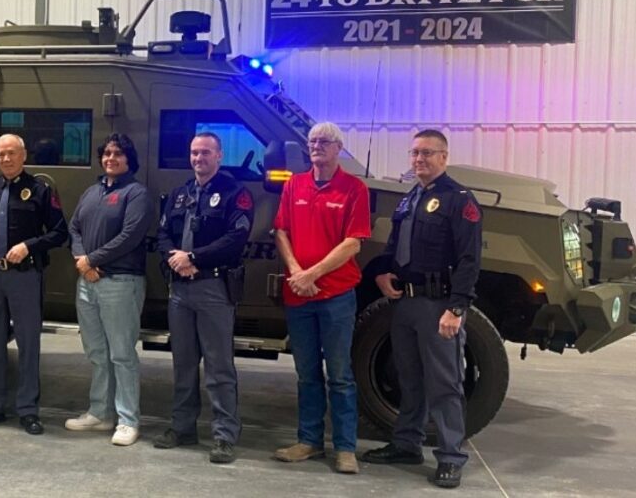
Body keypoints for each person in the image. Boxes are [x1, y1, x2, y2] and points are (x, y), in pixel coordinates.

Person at [362, 129, 483, 489]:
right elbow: (396, 246)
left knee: (445, 384)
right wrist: (383, 275)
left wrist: (457, 308)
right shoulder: (410, 198)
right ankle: (406, 444)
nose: (419, 159)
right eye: (415, 153)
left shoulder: (459, 199)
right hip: (406, 303)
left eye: (428, 153)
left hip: (438, 305)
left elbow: (469, 259)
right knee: (408, 378)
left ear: (444, 157)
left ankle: (450, 457)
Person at [271, 122, 371, 474]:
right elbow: (280, 230)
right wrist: (297, 272)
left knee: (340, 374)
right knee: (307, 373)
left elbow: (353, 242)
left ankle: (345, 448)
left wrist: (312, 275)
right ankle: (309, 441)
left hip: (336, 295)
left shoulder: (354, 189)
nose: (316, 147)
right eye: (312, 141)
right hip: (298, 295)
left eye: (324, 142)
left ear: (338, 148)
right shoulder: (294, 185)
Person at [153, 132, 253, 464]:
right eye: (195, 153)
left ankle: (224, 435)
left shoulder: (235, 194)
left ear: (219, 156)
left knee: (218, 366)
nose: (199, 158)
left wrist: (193, 258)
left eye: (206, 153)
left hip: (213, 288)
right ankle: (182, 427)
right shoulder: (180, 194)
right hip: (179, 290)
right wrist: (174, 258)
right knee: (183, 363)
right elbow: (163, 233)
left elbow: (235, 240)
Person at [0, 134, 68, 435]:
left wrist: (29, 246)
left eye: (12, 153)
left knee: (28, 343)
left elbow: (60, 233)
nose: (6, 159)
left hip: (25, 275)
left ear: (24, 156)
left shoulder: (39, 190)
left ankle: (28, 409)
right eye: (1, 154)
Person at [65, 133, 154, 446]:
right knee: (97, 352)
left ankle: (128, 419)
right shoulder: (92, 192)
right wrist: (82, 260)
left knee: (121, 354)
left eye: (118, 154)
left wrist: (91, 259)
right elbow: (74, 227)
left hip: (121, 282)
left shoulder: (137, 193)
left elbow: (130, 235)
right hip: (87, 283)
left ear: (129, 159)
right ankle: (100, 413)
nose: (110, 158)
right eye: (106, 153)